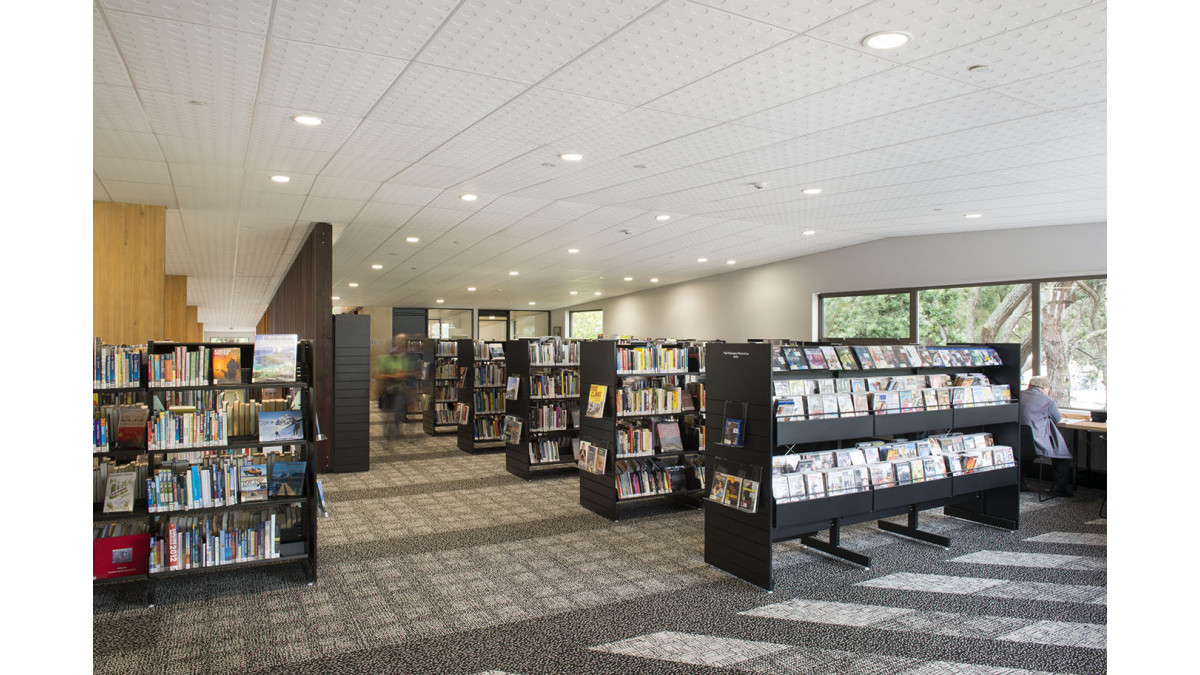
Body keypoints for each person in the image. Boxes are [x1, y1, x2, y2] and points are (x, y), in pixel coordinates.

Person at [1018, 375, 1073, 497]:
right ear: (1044, 388)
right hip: (1038, 443)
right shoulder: (1048, 401)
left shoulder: (1018, 395)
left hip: (1019, 441)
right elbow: (1057, 419)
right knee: (1062, 452)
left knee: (1025, 455)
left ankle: (1019, 482)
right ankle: (1059, 487)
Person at [377, 334, 420, 440]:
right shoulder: (391, 355)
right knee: (392, 410)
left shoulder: (409, 354)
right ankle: (394, 430)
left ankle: (401, 431)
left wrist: (407, 374)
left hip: (406, 387)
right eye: (401, 341)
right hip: (391, 388)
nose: (403, 343)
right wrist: (395, 375)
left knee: (401, 408)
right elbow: (381, 373)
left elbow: (410, 371)